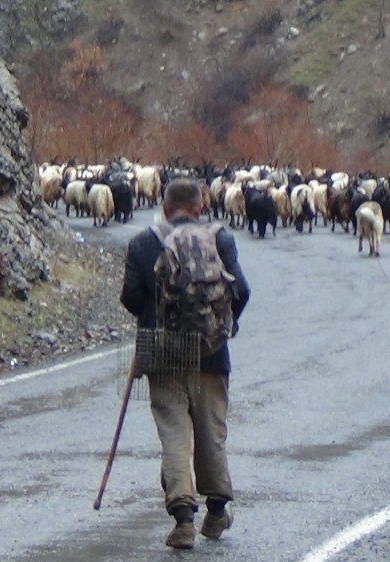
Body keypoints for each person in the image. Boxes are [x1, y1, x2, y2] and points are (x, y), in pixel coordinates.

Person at [120, 178, 251, 549]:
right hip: (211, 352)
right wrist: (224, 325)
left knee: (174, 434)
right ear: (201, 208)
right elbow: (242, 289)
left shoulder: (143, 243)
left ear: (164, 208)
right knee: (212, 431)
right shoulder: (219, 240)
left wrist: (153, 317)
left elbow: (130, 296)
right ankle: (216, 511)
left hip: (162, 354)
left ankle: (182, 521)